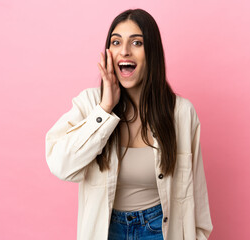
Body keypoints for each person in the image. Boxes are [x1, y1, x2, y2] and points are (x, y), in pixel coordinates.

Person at [45, 8, 213, 240]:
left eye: (137, 43)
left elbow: (197, 197)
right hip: (106, 230)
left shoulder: (181, 113)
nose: (124, 51)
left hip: (161, 230)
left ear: (151, 52)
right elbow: (60, 165)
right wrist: (104, 109)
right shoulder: (89, 104)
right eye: (116, 42)